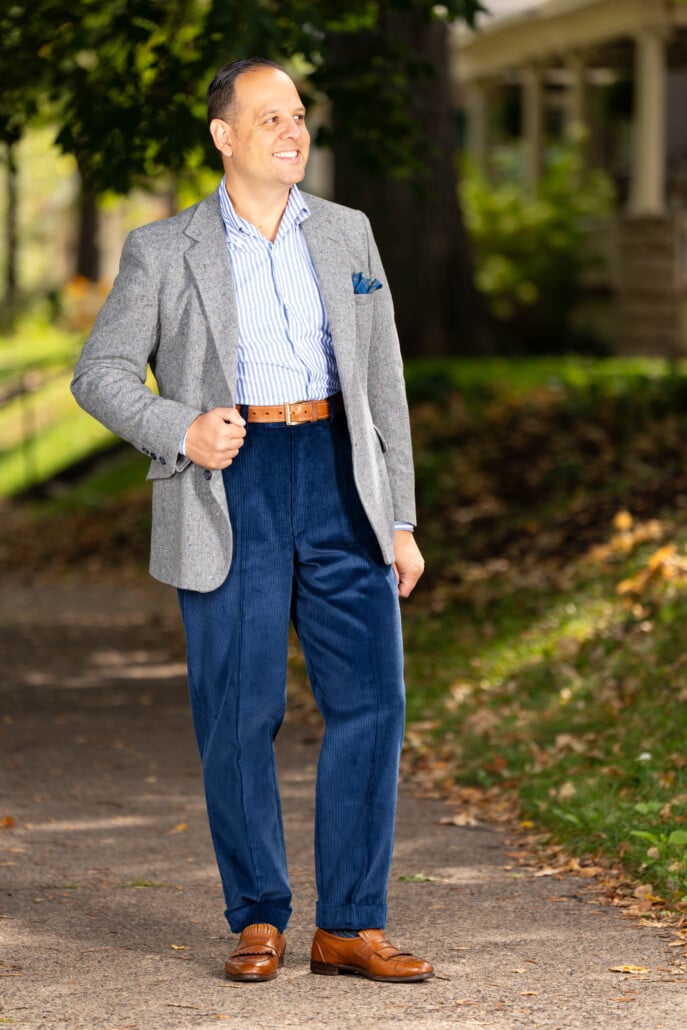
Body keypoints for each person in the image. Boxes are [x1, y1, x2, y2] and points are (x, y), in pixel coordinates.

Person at [71, 56, 433, 984]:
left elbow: (382, 384)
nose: (291, 131)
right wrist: (177, 428)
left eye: (300, 116)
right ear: (223, 136)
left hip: (341, 477)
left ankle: (349, 924)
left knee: (374, 702)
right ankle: (259, 916)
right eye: (269, 118)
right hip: (229, 481)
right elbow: (100, 373)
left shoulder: (349, 234)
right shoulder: (164, 248)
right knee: (239, 712)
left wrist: (399, 520)